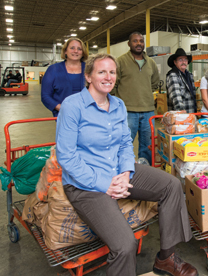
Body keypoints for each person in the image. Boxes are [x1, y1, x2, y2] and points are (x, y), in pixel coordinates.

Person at [56, 53, 198, 276]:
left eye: (112, 72)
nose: (108, 77)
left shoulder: (119, 104)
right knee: (125, 245)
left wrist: (125, 172)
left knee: (171, 186)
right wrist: (106, 184)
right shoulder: (72, 106)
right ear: (88, 77)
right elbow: (67, 156)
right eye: (101, 72)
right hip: (85, 183)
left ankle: (166, 258)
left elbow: (124, 143)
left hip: (117, 170)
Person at [111, 32, 160, 164]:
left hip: (148, 110)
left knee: (147, 146)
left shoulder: (151, 63)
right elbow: (113, 84)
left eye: (141, 41)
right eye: (135, 41)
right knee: (124, 144)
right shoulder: (120, 61)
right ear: (129, 44)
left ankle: (145, 170)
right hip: (127, 111)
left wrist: (143, 93)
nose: (139, 43)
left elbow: (155, 83)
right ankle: (121, 171)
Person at [41, 37, 88, 117]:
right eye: (72, 48)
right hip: (63, 115)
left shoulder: (90, 69)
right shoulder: (53, 69)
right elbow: (45, 96)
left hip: (88, 115)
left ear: (83, 53)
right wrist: (62, 108)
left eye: (79, 49)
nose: (76, 51)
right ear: (65, 51)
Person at [166, 48, 197, 114]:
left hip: (191, 114)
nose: (183, 62)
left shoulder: (189, 75)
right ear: (175, 62)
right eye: (180, 60)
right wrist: (180, 109)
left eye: (185, 59)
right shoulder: (173, 75)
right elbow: (175, 95)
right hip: (180, 116)